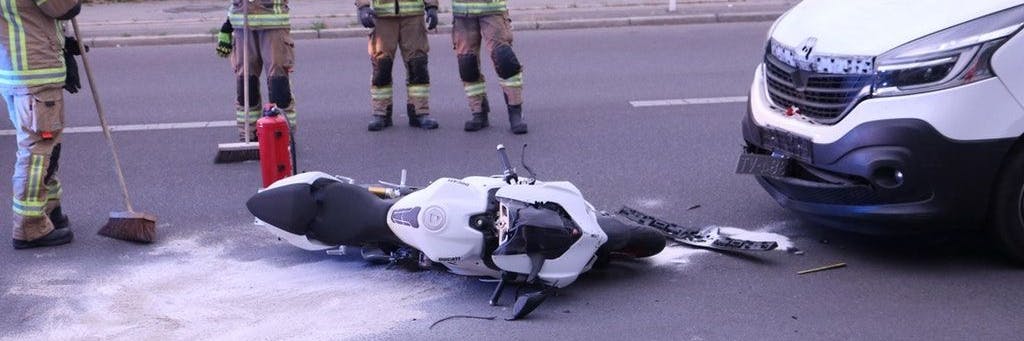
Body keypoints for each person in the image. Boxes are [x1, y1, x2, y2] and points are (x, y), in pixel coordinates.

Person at [1, 0, 83, 249]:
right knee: (38, 149)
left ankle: (49, 208)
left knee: (47, 146)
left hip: (17, 68)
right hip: (36, 69)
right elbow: (62, 6)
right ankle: (30, 226)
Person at [216, 0, 297, 141]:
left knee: (278, 85)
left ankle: (282, 134)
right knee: (246, 85)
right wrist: (228, 25)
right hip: (242, 25)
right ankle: (249, 134)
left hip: (273, 23)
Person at [356, 0, 439, 131]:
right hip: (383, 17)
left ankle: (419, 112)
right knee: (382, 66)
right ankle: (381, 113)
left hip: (413, 17)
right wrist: (363, 7)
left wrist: (432, 6)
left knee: (417, 65)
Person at [452, 0, 526, 134]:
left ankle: (515, 112)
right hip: (462, 12)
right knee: (467, 64)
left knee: (504, 60)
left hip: (492, 9)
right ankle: (478, 112)